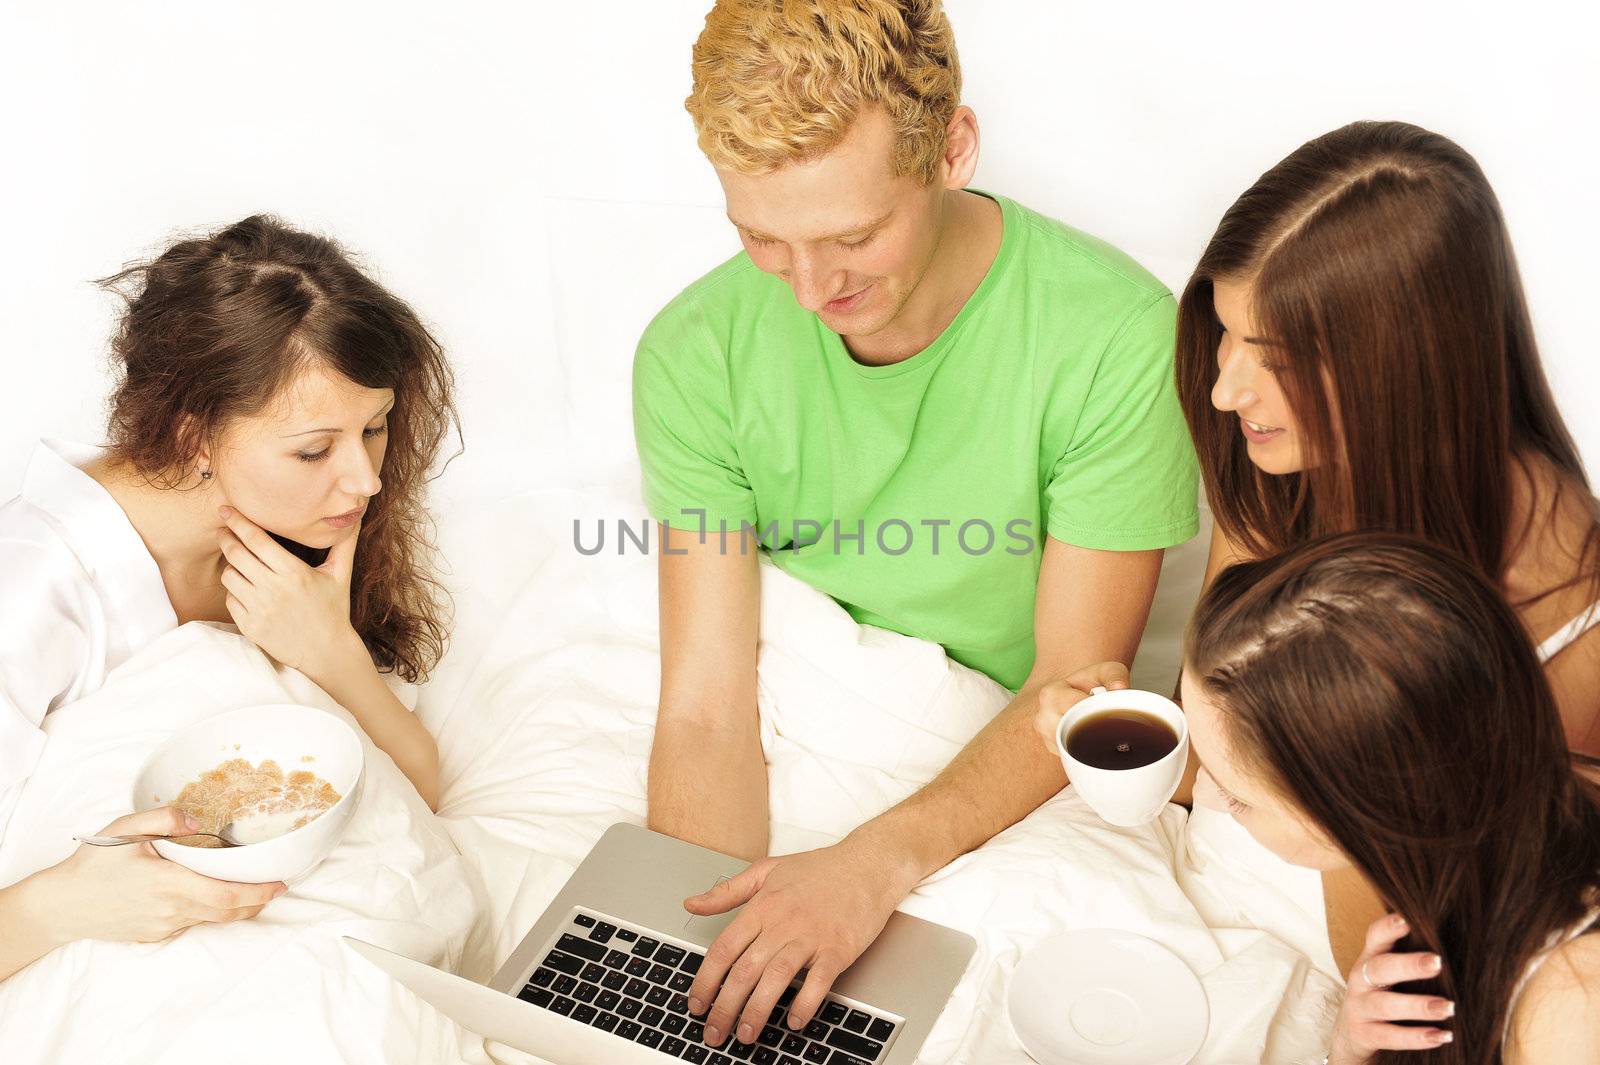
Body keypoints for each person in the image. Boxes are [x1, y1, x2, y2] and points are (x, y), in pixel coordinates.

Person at [632, 0, 1199, 1048]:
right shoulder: (691, 352)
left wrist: (866, 868)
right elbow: (707, 709)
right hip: (796, 712)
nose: (809, 289)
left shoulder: (1111, 334)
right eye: (761, 237)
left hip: (1002, 755)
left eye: (852, 236)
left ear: (952, 149)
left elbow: (1074, 689)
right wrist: (698, 976)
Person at [1168, 118, 1600, 975]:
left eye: (1275, 355)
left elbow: (1424, 952)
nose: (1223, 390)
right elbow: (1207, 757)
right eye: (1226, 331)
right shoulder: (1285, 462)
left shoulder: (1566, 615)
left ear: (1408, 364)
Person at [0, 214, 458, 982]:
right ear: (192, 438)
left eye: (376, 427)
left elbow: (423, 789)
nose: (368, 480)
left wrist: (333, 652)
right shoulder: (33, 592)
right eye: (314, 449)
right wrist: (61, 907)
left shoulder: (289, 537)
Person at [1173, 533, 1597, 1064]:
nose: (1205, 793)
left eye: (1237, 798)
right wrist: (1352, 1049)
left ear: (1352, 812)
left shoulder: (1573, 1009)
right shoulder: (1503, 818)